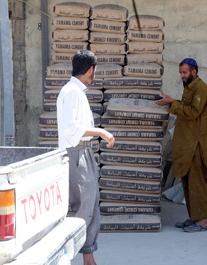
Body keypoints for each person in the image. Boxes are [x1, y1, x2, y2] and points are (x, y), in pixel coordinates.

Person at [57, 50, 115, 264]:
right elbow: (70, 129)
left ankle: (88, 257)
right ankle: (70, 255)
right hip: (76, 153)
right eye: (95, 70)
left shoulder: (76, 91)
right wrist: (100, 131)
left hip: (83, 151)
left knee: (90, 204)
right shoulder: (72, 91)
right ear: (91, 69)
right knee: (81, 206)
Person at [155, 58, 207, 232]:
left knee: (198, 184)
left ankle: (202, 221)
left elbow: (193, 112)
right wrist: (173, 102)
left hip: (199, 145)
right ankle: (193, 218)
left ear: (194, 72)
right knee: (188, 183)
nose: (182, 76)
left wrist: (171, 103)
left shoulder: (201, 88)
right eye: (180, 73)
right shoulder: (190, 88)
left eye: (184, 72)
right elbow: (186, 107)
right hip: (189, 144)